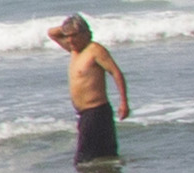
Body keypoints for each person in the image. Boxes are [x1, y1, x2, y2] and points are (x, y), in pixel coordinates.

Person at [51, 13, 134, 164]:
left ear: (85, 34)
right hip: (85, 115)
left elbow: (115, 72)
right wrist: (68, 26)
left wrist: (124, 103)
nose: (69, 40)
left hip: (96, 112)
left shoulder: (94, 50)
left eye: (74, 35)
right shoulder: (74, 50)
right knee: (102, 158)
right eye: (67, 36)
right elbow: (52, 33)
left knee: (85, 161)